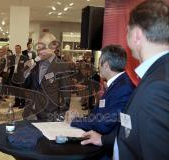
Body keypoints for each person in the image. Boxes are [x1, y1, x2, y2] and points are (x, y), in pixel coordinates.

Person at [80, 1, 169, 160]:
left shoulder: (158, 85)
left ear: (136, 35)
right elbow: (137, 132)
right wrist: (103, 139)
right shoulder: (157, 74)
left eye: (127, 31)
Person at [68, 45, 135, 135]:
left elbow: (104, 124)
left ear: (106, 65)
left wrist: (75, 120)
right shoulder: (117, 84)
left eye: (99, 62)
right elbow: (98, 114)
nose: (98, 67)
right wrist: (80, 117)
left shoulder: (124, 88)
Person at [23, 33, 71, 121]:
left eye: (43, 48)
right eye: (38, 48)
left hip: (49, 115)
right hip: (30, 113)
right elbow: (26, 85)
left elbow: (66, 96)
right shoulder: (35, 63)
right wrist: (27, 71)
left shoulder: (62, 66)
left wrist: (59, 117)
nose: (40, 51)